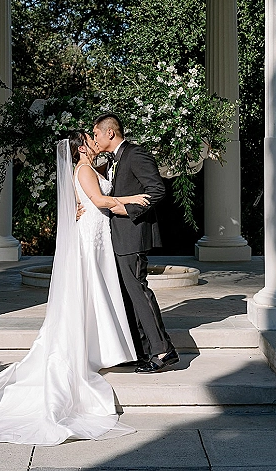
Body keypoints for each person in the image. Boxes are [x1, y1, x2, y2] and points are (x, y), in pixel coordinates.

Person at [0, 133, 149, 445]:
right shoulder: (85, 169)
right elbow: (101, 201)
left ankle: (101, 347)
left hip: (96, 236)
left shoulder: (89, 171)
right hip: (91, 239)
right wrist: (134, 199)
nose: (95, 144)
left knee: (96, 293)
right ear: (80, 149)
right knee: (91, 292)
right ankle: (94, 349)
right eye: (91, 141)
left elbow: (90, 200)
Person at [92, 113, 179, 374]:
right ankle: (143, 351)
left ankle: (163, 350)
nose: (94, 138)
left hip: (133, 234)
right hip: (118, 238)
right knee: (129, 295)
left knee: (139, 293)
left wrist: (126, 210)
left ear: (110, 133)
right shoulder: (114, 160)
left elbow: (157, 190)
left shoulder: (135, 154)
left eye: (96, 133)